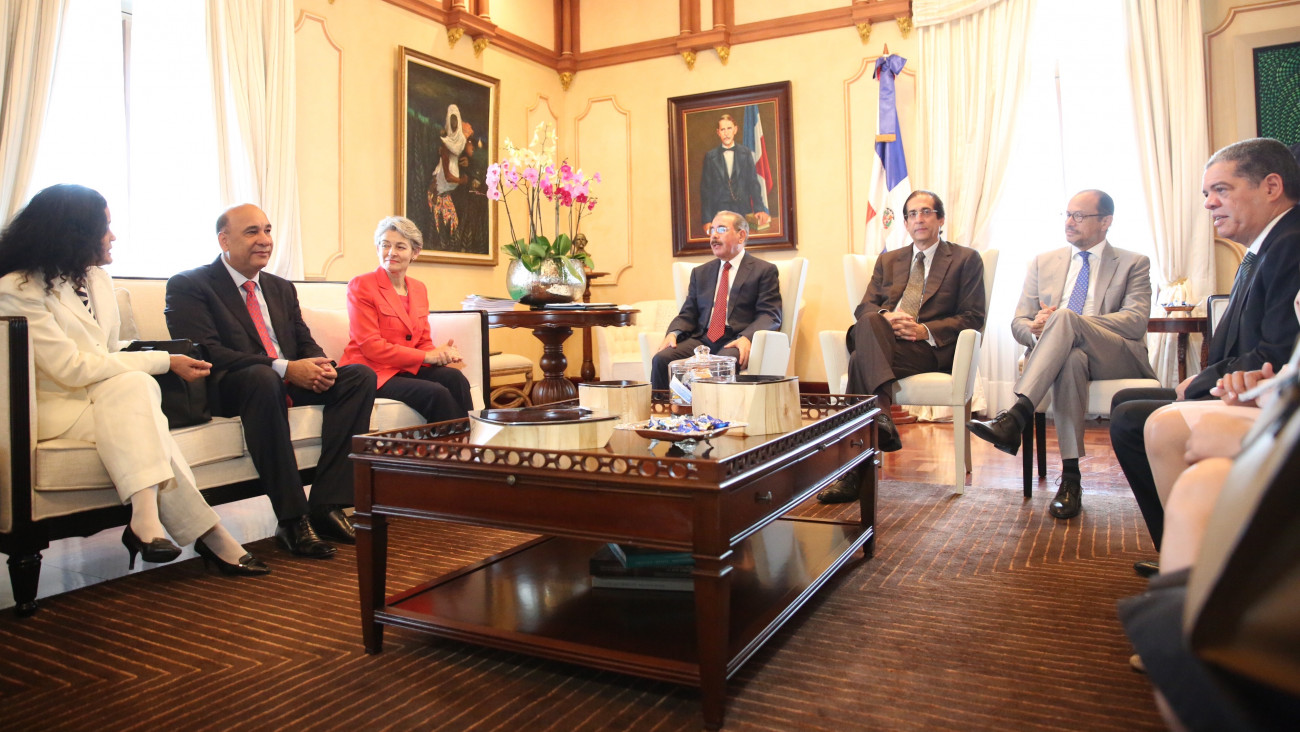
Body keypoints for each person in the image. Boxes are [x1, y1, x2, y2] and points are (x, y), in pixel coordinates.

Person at [0, 185, 268, 576]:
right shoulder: (18, 289)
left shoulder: (96, 279)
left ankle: (147, 522)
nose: (113, 236)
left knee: (135, 390)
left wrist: (158, 361)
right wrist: (164, 361)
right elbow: (71, 367)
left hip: (107, 399)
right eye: (105, 227)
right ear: (74, 232)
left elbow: (108, 348)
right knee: (138, 391)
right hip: (58, 408)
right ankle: (205, 533)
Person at [1109, 137, 1300, 552]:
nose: (1209, 203)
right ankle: (1176, 546)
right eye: (1206, 193)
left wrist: (1198, 383)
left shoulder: (1290, 244)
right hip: (1240, 384)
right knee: (1125, 403)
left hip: (1263, 392)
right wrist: (1199, 381)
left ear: (1271, 187)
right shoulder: (1266, 246)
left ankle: (1185, 553)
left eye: (1221, 190)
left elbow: (1275, 353)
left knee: (1131, 418)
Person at [165, 204, 377, 559]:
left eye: (267, 230)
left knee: (359, 377)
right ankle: (292, 519)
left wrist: (320, 365)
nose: (264, 240)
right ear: (224, 240)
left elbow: (303, 339)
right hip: (234, 386)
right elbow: (206, 352)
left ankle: (327, 505)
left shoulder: (280, 288)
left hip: (283, 378)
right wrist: (285, 368)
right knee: (263, 378)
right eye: (252, 232)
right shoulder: (190, 285)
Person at [967, 190, 1156, 520]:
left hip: (1115, 355)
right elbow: (1018, 322)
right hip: (1066, 356)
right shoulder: (1044, 262)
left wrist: (1067, 322)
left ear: (1106, 221)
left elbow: (1135, 321)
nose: (1069, 222)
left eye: (1079, 216)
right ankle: (1071, 479)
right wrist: (1037, 328)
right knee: (1070, 359)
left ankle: (1017, 414)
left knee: (1066, 318)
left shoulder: (1133, 263)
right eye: (1067, 214)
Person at [818, 190, 986, 504]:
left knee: (859, 361)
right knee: (870, 320)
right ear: (906, 223)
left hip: (928, 349)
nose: (918, 219)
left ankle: (854, 471)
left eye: (926, 212)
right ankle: (880, 420)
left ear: (940, 219)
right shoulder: (888, 260)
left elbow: (973, 316)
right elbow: (865, 307)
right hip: (884, 340)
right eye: (911, 214)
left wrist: (924, 330)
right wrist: (887, 317)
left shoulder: (965, 259)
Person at [340, 216, 473, 422]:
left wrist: (441, 354)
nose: (391, 252)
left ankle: (471, 439)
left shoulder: (419, 288)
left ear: (415, 252)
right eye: (385, 245)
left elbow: (423, 342)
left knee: (455, 378)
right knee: (436, 394)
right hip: (373, 372)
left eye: (400, 247)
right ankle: (452, 443)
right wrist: (427, 357)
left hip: (407, 368)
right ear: (377, 248)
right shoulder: (361, 285)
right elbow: (371, 346)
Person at [650, 210, 782, 391]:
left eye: (721, 229)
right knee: (661, 359)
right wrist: (673, 332)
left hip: (735, 339)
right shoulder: (700, 273)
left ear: (741, 235)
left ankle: (711, 409)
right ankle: (663, 407)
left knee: (720, 365)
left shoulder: (763, 270)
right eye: (711, 230)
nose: (714, 236)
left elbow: (770, 314)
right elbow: (688, 313)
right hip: (703, 339)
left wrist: (747, 337)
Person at [699, 114, 771, 229]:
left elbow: (753, 183)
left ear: (735, 130)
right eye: (723, 129)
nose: (726, 133)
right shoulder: (710, 157)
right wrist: (707, 220)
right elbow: (706, 191)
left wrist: (759, 209)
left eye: (729, 128)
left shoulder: (746, 153)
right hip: (719, 214)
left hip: (743, 212)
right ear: (718, 132)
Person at [428, 104, 468, 243]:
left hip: (447, 192)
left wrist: (466, 164)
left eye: (456, 119)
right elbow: (447, 176)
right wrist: (462, 181)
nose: (454, 123)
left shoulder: (461, 141)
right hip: (438, 191)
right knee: (440, 227)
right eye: (451, 120)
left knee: (451, 226)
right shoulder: (445, 143)